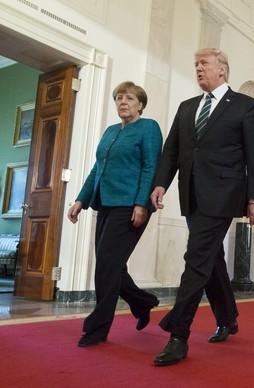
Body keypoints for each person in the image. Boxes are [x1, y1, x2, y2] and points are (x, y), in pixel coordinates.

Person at [149, 48, 254, 366]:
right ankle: (228, 317)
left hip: (224, 194)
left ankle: (178, 335)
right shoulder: (187, 108)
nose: (198, 68)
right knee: (212, 259)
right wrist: (160, 183)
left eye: (204, 64)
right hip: (192, 195)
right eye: (195, 64)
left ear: (222, 71)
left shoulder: (245, 105)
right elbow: (171, 150)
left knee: (196, 257)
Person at [67, 81, 163, 347]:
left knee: (107, 265)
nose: (123, 102)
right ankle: (143, 302)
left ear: (140, 104)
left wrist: (142, 203)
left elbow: (150, 167)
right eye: (119, 98)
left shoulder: (149, 128)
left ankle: (97, 328)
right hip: (106, 203)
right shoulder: (110, 132)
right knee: (112, 265)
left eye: (130, 98)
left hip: (130, 205)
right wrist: (80, 200)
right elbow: (96, 170)